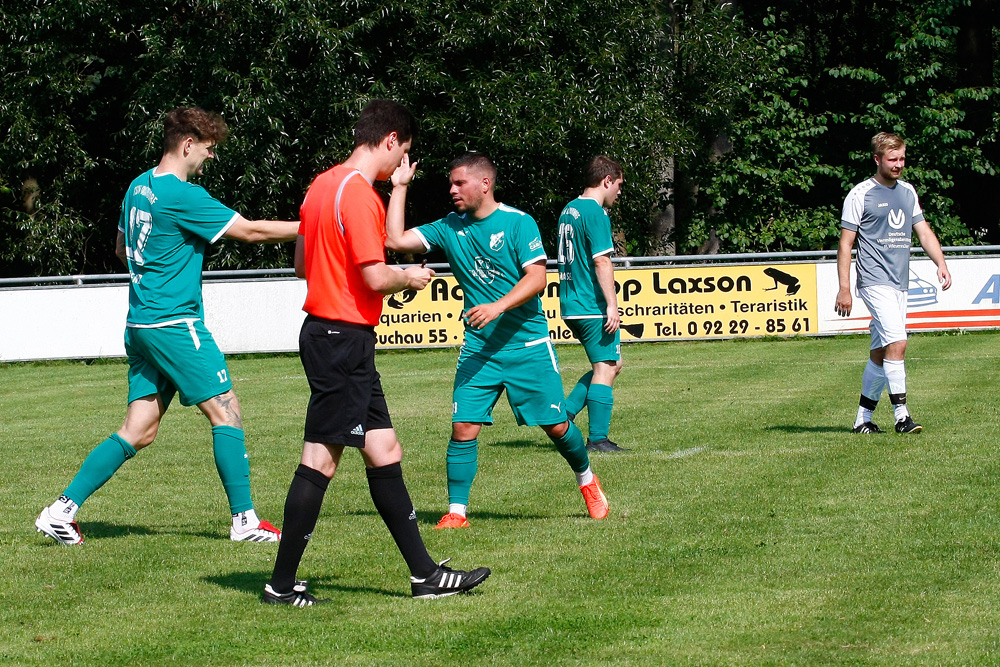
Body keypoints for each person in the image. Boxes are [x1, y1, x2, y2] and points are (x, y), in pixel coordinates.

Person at [35, 107, 298, 546]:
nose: (210, 158)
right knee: (226, 410)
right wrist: (317, 228)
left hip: (140, 323)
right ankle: (245, 521)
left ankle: (60, 511)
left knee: (139, 429)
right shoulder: (182, 194)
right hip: (175, 323)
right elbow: (252, 232)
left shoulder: (138, 186)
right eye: (209, 149)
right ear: (188, 144)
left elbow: (121, 249)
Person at [263, 100, 491, 606]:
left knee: (385, 450)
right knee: (320, 460)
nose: (399, 165)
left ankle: (424, 575)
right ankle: (280, 585)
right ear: (391, 140)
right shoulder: (361, 195)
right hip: (341, 339)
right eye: (403, 153)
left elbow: (303, 264)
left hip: (336, 338)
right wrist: (408, 275)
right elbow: (374, 274)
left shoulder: (321, 185)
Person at [385, 151, 610, 530]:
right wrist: (400, 187)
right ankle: (457, 512)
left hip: (527, 345)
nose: (452, 190)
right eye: (450, 184)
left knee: (555, 426)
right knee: (463, 427)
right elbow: (395, 239)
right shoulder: (448, 226)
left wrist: (497, 307)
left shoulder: (519, 223)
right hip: (479, 349)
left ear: (484, 184)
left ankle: (587, 479)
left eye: (460, 183)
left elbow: (537, 278)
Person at [836, 131, 952, 434]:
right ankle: (902, 416)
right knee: (899, 341)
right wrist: (845, 287)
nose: (899, 164)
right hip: (874, 281)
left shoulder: (907, 192)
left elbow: (923, 231)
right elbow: (846, 244)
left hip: (900, 283)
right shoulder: (860, 194)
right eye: (892, 159)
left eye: (902, 158)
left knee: (881, 351)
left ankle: (863, 419)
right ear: (877, 159)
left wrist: (940, 263)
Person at [557, 156, 626, 453]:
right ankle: (597, 439)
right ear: (606, 180)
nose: (619, 192)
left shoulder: (568, 210)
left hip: (571, 301)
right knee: (607, 365)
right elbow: (601, 260)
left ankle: (566, 413)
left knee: (611, 365)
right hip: (590, 304)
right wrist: (612, 304)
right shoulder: (595, 212)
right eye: (619, 185)